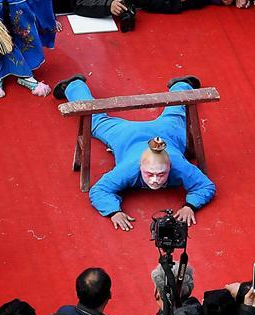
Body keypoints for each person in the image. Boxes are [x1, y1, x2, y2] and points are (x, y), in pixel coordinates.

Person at [52, 75, 215, 230]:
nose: (155, 180)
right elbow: (99, 190)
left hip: (165, 132)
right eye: (150, 174)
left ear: (170, 166)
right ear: (140, 166)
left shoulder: (179, 165)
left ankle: (182, 84)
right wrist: (113, 211)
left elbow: (206, 186)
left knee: (177, 113)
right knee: (96, 122)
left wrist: (190, 206)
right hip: (127, 136)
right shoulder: (128, 169)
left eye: (161, 174)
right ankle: (74, 86)